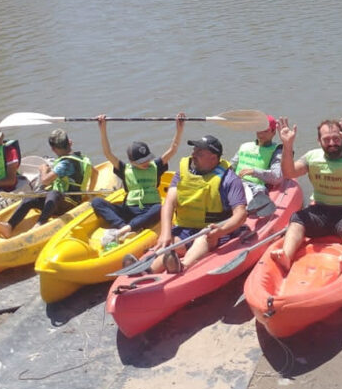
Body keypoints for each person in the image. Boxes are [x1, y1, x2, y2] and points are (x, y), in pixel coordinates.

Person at [270, 116, 342, 272]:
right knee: (297, 219)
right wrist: (287, 145)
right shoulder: (312, 157)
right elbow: (289, 172)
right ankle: (286, 256)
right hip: (320, 210)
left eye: (336, 138)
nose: (331, 143)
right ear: (319, 141)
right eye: (326, 139)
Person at [149, 133, 248, 274]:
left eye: (199, 152)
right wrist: (165, 232)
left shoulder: (230, 179)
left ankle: (183, 266)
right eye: (194, 150)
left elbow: (241, 214)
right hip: (186, 229)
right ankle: (149, 271)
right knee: (171, 243)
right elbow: (169, 203)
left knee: (203, 237)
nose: (194, 154)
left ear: (213, 157)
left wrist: (221, 230)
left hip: (214, 232)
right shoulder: (183, 173)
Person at [90, 113, 185, 250]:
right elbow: (108, 153)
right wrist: (103, 128)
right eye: (141, 162)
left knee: (160, 208)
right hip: (129, 209)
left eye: (147, 159)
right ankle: (124, 227)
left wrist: (179, 129)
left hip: (149, 210)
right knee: (97, 202)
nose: (146, 163)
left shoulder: (156, 166)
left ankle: (121, 231)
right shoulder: (124, 169)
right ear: (132, 162)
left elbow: (173, 150)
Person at [0, 129, 95, 238]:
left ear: (53, 149)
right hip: (60, 201)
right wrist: (89, 194)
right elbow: (95, 173)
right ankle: (9, 226)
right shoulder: (82, 158)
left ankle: (40, 223)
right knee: (31, 196)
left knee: (54, 193)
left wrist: (43, 170)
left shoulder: (65, 164)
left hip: (69, 203)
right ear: (70, 142)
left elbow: (45, 180)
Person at [231, 115, 283, 214]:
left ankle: (252, 209)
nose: (261, 134)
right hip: (235, 183)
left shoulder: (277, 150)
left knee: (260, 189)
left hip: (255, 186)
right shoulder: (244, 146)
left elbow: (277, 177)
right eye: (259, 130)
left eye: (265, 131)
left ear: (273, 132)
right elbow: (231, 167)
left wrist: (254, 172)